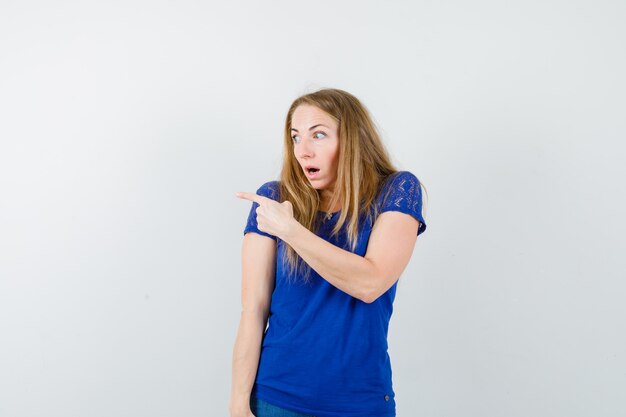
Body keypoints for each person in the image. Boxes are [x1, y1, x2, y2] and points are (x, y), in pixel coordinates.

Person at [229, 88, 428, 417]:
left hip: (360, 401)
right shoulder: (274, 201)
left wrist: (291, 231)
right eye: (295, 138)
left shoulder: (396, 191)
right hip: (277, 399)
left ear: (352, 140)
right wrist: (238, 404)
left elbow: (371, 283)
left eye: (318, 135)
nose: (302, 151)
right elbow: (253, 311)